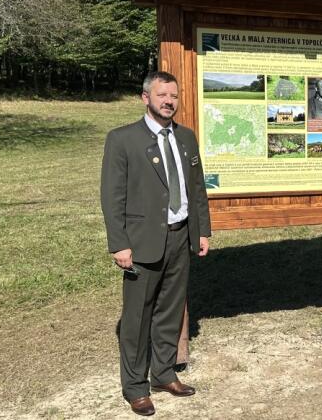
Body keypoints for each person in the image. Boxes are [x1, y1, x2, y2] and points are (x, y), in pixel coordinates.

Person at [100, 71, 212, 416]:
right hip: (142, 242)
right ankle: (135, 387)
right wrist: (119, 244)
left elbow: (196, 189)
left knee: (170, 310)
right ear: (145, 98)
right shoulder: (123, 140)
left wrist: (202, 230)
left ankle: (163, 374)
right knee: (137, 318)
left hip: (180, 236)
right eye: (162, 95)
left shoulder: (186, 138)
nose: (169, 101)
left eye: (174, 96)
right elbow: (111, 195)